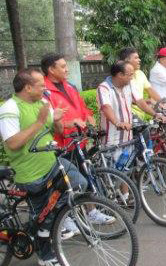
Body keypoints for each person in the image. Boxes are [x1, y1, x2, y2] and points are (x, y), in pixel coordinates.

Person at [0, 69, 87, 266]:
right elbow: (13, 143)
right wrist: (40, 122)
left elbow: (57, 131)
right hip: (31, 173)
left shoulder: (42, 103)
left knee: (79, 183)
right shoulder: (10, 108)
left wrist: (56, 121)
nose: (45, 87)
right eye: (40, 84)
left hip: (53, 163)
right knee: (39, 215)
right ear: (28, 87)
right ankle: (45, 254)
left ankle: (48, 226)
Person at [40, 53, 115, 229]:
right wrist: (67, 123)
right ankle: (64, 218)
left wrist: (89, 118)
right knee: (63, 184)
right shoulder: (44, 91)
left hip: (78, 142)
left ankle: (91, 212)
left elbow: (82, 108)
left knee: (86, 175)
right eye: (63, 66)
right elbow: (47, 121)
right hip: (60, 146)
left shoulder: (70, 86)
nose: (67, 69)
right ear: (51, 69)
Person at [118, 47, 161, 119]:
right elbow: (127, 100)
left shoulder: (140, 73)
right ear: (126, 60)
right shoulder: (122, 77)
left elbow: (150, 90)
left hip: (140, 116)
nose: (139, 60)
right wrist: (154, 113)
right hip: (127, 116)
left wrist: (163, 102)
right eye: (136, 58)